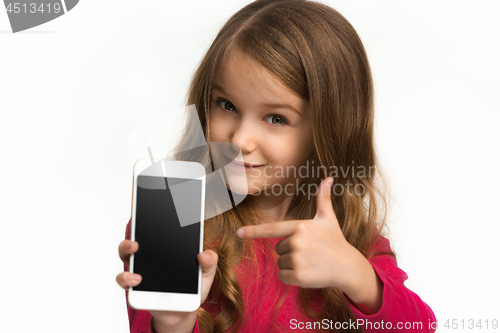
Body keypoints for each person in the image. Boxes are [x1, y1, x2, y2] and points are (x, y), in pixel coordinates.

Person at [116, 0, 437, 332]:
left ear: (328, 131)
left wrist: (357, 275)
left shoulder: (352, 238)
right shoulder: (175, 222)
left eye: (276, 118)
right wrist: (173, 322)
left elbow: (419, 326)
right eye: (226, 105)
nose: (240, 140)